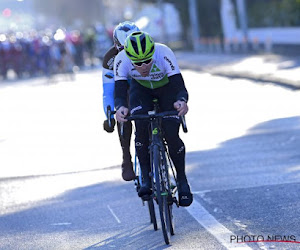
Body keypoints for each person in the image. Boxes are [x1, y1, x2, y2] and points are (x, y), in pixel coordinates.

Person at [114, 31, 193, 207]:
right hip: (141, 91)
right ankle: (146, 179)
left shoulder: (164, 53)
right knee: (140, 128)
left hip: (166, 89)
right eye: (138, 63)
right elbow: (119, 92)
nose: (143, 66)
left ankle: (182, 180)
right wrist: (120, 108)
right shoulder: (121, 60)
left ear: (153, 53)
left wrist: (182, 101)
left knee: (172, 134)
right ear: (129, 58)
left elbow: (179, 86)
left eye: (148, 60)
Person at [102, 21, 140, 181]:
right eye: (124, 49)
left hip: (143, 85)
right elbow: (108, 91)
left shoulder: (149, 48)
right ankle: (126, 157)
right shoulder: (110, 59)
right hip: (123, 89)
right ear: (116, 45)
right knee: (122, 113)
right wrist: (111, 115)